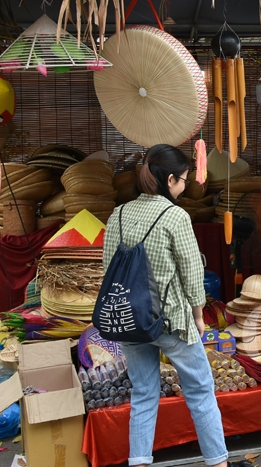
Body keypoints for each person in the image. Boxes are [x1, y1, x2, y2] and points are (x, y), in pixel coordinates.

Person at [103, 145, 240, 467]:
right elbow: (192, 274)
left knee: (144, 393)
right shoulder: (175, 216)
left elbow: (108, 268)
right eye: (183, 179)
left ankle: (139, 461)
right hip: (170, 321)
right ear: (170, 179)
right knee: (200, 391)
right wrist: (198, 315)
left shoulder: (118, 213)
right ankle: (218, 463)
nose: (185, 185)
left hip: (130, 319)